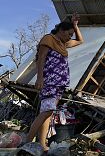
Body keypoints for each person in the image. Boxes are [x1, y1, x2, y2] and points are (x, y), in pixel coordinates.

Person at [27, 14, 84, 151]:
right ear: (61, 30)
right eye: (69, 33)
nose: (70, 37)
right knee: (46, 112)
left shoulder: (63, 44)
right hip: (50, 81)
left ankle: (42, 144)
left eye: (71, 34)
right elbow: (41, 58)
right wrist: (40, 78)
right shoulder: (49, 39)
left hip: (59, 83)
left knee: (48, 113)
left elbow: (80, 41)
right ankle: (27, 142)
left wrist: (75, 26)